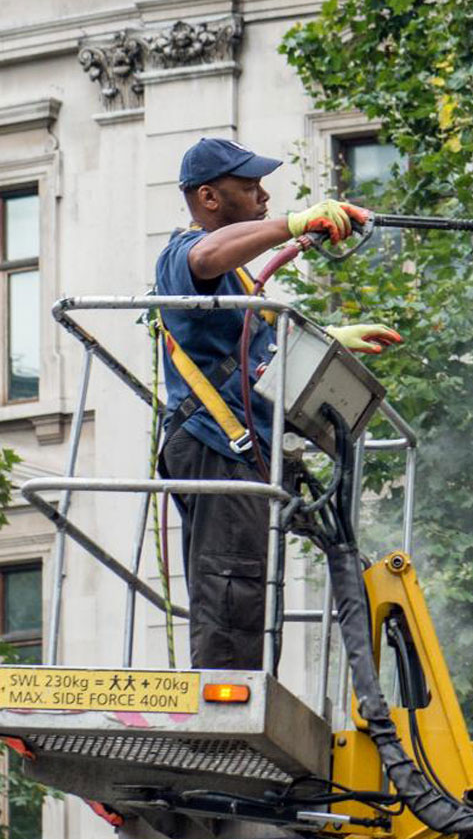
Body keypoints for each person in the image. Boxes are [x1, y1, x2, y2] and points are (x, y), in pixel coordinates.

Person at [156, 136, 402, 670]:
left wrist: (331, 337)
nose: (264, 196)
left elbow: (258, 360)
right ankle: (226, 712)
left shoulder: (240, 280)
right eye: (249, 187)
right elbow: (206, 255)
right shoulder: (185, 254)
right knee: (231, 583)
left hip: (241, 450)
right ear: (209, 198)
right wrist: (294, 224)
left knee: (251, 584)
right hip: (215, 444)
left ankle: (248, 692)